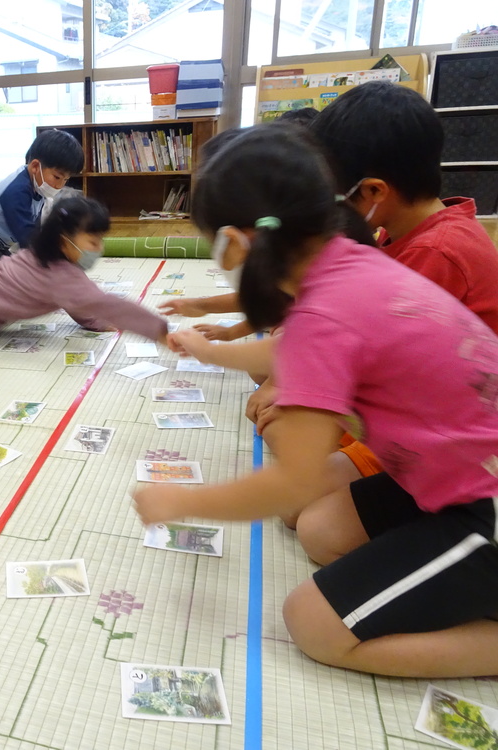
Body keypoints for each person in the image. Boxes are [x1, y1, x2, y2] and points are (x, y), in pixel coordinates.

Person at [133, 125, 498, 678]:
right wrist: (210, 351)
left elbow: (295, 479)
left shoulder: (322, 316)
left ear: (236, 241)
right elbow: (294, 354)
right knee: (321, 531)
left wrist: (181, 502)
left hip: (484, 507)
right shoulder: (352, 262)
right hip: (441, 477)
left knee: (311, 622)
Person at [249, 82, 498, 490]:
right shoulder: (392, 230)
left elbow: (364, 351)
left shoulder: (437, 252)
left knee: (310, 517)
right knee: (270, 366)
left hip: (432, 430)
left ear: (373, 191)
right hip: (396, 399)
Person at [0, 195, 171, 356]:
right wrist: (161, 332)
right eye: (93, 241)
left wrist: (95, 322)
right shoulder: (62, 275)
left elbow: (80, 303)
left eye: (100, 240)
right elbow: (108, 304)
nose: (99, 248)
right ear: (64, 242)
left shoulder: (55, 262)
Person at [0, 129, 84, 259]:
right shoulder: (16, 191)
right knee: (18, 273)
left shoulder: (37, 186)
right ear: (35, 167)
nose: (60, 185)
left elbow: (34, 230)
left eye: (66, 179)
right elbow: (26, 237)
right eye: (57, 177)